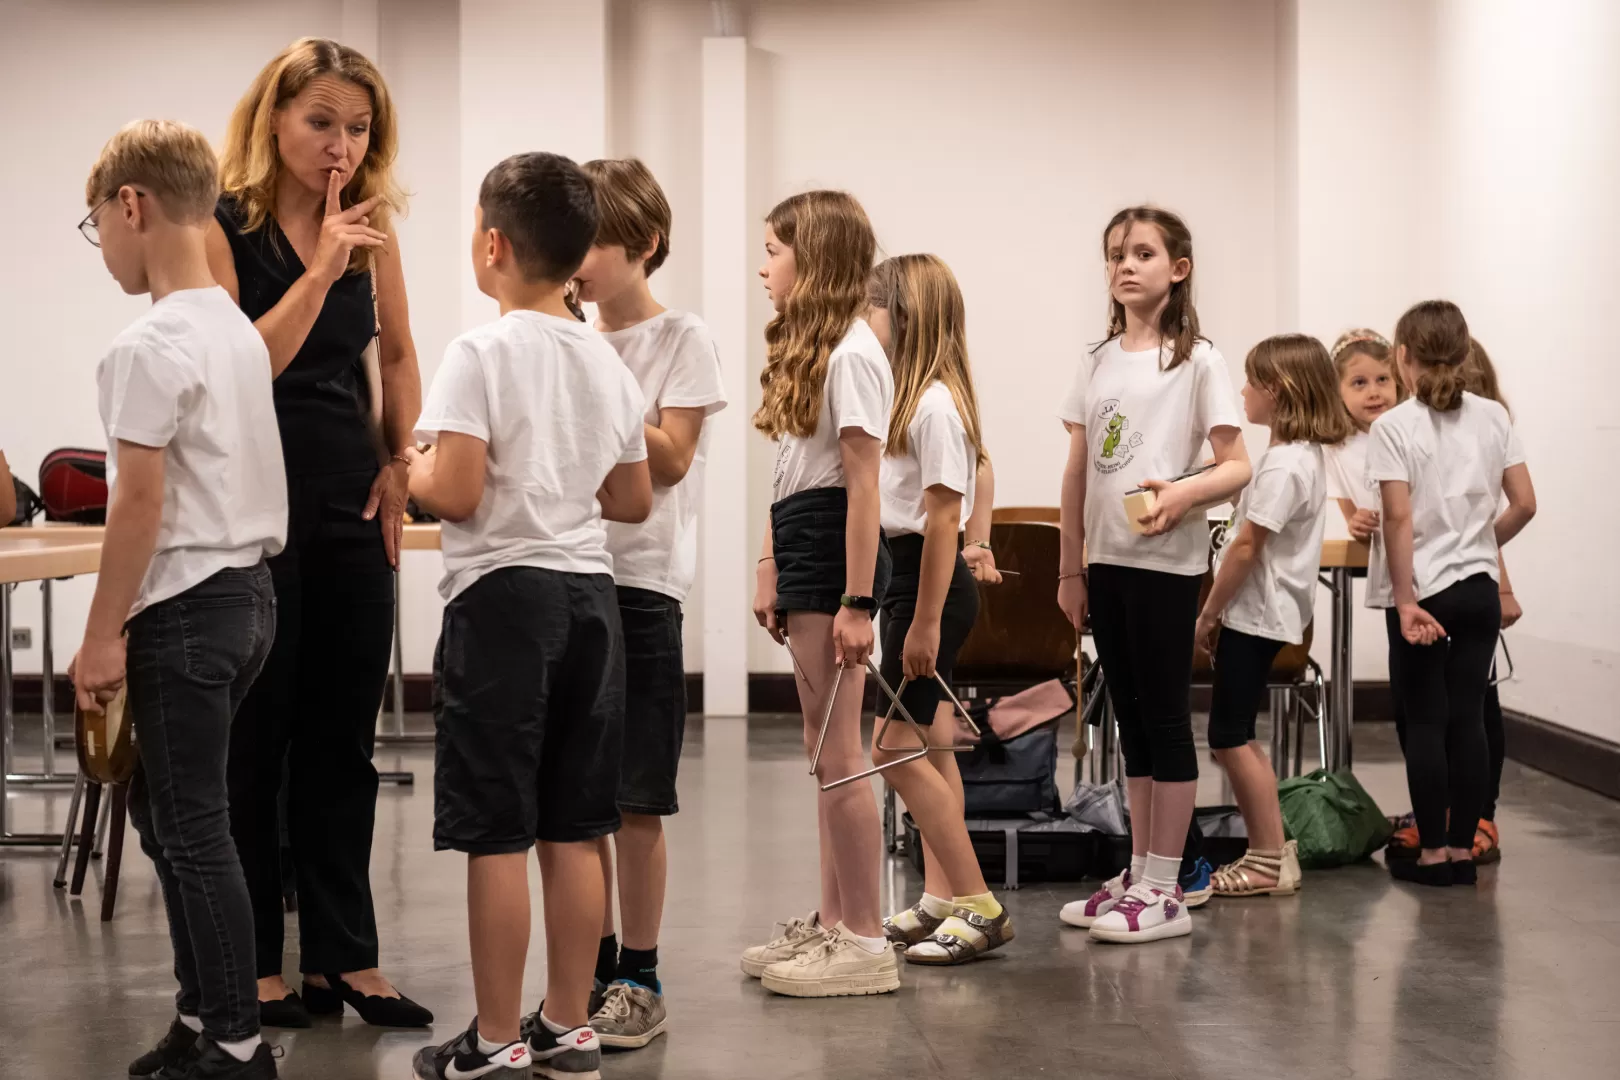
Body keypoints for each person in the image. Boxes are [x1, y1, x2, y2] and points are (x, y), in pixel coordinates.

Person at [405, 152, 651, 1080]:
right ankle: (568, 1024)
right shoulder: (606, 360)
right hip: (591, 599)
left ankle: (497, 1038)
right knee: (576, 823)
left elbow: (459, 493)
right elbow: (630, 499)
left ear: (493, 242)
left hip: (503, 599)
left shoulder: (480, 350)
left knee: (497, 829)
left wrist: (417, 465)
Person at [204, 38, 429, 1028]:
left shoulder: (371, 228)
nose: (342, 145)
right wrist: (325, 262)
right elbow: (241, 364)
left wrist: (398, 461)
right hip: (251, 505)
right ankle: (255, 962)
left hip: (348, 499)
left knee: (344, 738)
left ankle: (347, 956)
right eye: (322, 122)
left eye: (359, 127)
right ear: (275, 119)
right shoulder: (223, 227)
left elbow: (403, 354)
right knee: (259, 738)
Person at [72, 119, 285, 1080]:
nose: (103, 247)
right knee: (169, 819)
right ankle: (203, 1021)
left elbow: (140, 505)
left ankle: (236, 1041)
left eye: (96, 225)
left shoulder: (150, 342)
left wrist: (100, 635)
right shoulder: (234, 331)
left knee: (192, 827)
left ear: (131, 204)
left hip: (185, 608)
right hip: (247, 600)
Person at [1055, 206, 1251, 944]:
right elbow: (1077, 469)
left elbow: (1236, 466)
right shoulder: (1097, 359)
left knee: (1165, 719)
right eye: (1114, 255)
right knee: (1130, 722)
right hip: (1105, 562)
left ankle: (1168, 886)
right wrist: (1070, 567)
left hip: (1165, 563)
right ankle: (1139, 873)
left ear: (1179, 268)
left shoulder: (1199, 359)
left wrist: (1180, 492)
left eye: (1142, 253)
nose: (1125, 265)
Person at [572, 157, 727, 1048]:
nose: (579, 260)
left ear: (645, 245)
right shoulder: (565, 333)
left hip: (643, 584)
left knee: (635, 797)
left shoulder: (682, 338)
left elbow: (668, 460)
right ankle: (588, 971)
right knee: (579, 797)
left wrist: (588, 358)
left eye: (596, 239)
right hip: (572, 574)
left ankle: (639, 971)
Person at [745, 190, 900, 996]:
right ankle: (836, 920)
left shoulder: (852, 355)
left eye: (774, 250)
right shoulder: (820, 351)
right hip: (806, 536)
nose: (762, 266)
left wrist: (858, 601)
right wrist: (771, 564)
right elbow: (791, 474)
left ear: (816, 257)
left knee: (841, 757)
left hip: (835, 545)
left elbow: (863, 485)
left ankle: (867, 942)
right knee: (823, 754)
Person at [864, 254, 1013, 964]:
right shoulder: (909, 398)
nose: (865, 320)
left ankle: (980, 904)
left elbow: (944, 521)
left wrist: (922, 622)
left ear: (906, 315)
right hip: (909, 583)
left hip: (928, 590)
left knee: (889, 749)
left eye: (874, 306)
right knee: (931, 746)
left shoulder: (934, 405)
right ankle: (941, 897)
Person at [1372, 300, 1536, 887]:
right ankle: (1466, 852)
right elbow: (1525, 503)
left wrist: (1404, 596)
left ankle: (1435, 853)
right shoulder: (1494, 417)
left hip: (1426, 591)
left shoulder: (1393, 426)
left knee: (1424, 723)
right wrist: (1476, 541)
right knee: (1467, 719)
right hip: (1479, 590)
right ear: (1466, 355)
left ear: (1402, 357)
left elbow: (1395, 517)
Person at [1193, 335, 1350, 897]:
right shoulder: (1293, 458)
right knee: (1232, 733)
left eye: (1250, 381)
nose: (1241, 391)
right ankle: (1269, 852)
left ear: (1278, 392)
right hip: (1259, 612)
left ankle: (1267, 858)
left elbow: (1245, 547)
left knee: (1230, 734)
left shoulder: (1285, 465)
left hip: (1254, 614)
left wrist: (1209, 612)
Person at [1460, 338, 1517, 864]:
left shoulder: (1490, 423)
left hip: (1469, 583)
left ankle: (1481, 815)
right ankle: (1449, 813)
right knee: (1428, 708)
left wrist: (1501, 582)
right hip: (1432, 583)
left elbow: (1502, 511)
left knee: (1479, 702)